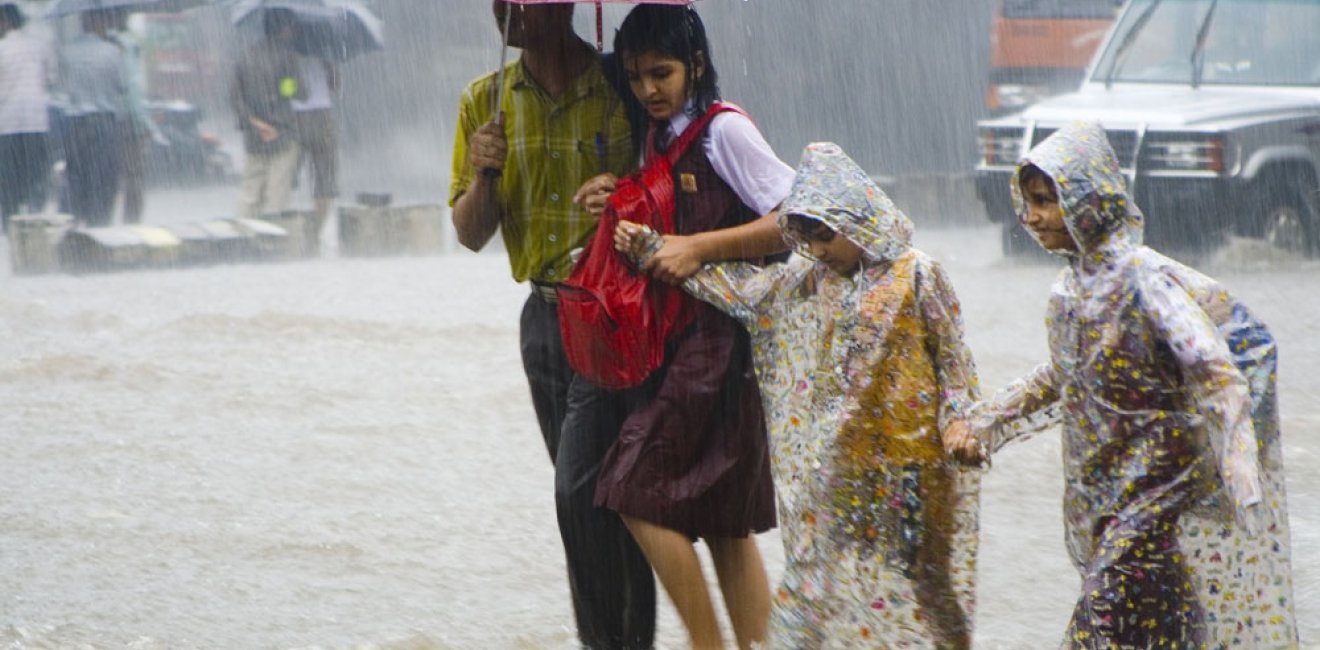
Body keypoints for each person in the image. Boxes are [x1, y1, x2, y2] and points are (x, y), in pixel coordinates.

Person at [617, 141, 984, 648]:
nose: (821, 248)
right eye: (807, 236)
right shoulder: (806, 284)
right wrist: (651, 248)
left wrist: (961, 422)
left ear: (859, 215)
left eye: (827, 233)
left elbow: (955, 365)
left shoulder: (917, 274)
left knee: (933, 591)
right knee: (808, 594)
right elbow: (736, 288)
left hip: (914, 470)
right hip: (839, 472)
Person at [947, 120, 1298, 647]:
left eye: (1048, 200)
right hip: (1105, 487)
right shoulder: (1070, 289)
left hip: (1161, 485)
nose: (1033, 216)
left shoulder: (1144, 279)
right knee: (1165, 622)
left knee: (1100, 622)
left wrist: (1240, 464)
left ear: (1089, 202)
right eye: (1029, 201)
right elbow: (1062, 377)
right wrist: (986, 421)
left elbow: (1215, 371)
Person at [570, 6, 796, 649]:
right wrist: (615, 194)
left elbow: (796, 218)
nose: (649, 90)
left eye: (662, 73)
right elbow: (661, 214)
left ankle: (708, 645)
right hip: (681, 342)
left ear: (696, 65)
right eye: (637, 76)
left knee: (632, 491)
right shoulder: (659, 133)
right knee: (726, 523)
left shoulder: (725, 132)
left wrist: (700, 247)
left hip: (723, 344)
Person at [447, 3, 650, 648]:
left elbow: (666, 190)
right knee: (591, 502)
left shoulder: (623, 86)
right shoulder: (486, 100)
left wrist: (622, 195)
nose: (505, 12)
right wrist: (485, 172)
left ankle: (615, 641)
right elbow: (470, 234)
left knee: (597, 495)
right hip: (545, 319)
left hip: (620, 312)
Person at [231, 8, 304, 222]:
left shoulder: (245, 57)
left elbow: (234, 98)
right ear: (284, 29)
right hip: (282, 133)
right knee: (277, 193)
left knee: (250, 194)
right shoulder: (288, 57)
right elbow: (295, 92)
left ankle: (243, 235)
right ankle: (275, 240)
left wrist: (256, 124)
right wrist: (290, 80)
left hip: (254, 137)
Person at [58, 8, 127, 227]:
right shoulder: (112, 52)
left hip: (74, 124)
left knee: (77, 176)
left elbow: (63, 88)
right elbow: (122, 86)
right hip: (103, 122)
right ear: (98, 22)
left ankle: (75, 224)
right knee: (104, 178)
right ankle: (99, 226)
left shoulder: (67, 52)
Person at [0, 2, 55, 231]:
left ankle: (10, 228)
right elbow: (50, 79)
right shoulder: (39, 46)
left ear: (6, 22)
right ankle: (35, 224)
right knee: (35, 177)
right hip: (36, 121)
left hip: (7, 124)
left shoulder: (1, 48)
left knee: (9, 182)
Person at [109, 7, 162, 225]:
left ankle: (101, 221)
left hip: (106, 118)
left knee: (114, 174)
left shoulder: (106, 42)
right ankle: (131, 221)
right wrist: (145, 123)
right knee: (134, 174)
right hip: (128, 120)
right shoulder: (127, 44)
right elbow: (133, 88)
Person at [291, 54, 338, 252]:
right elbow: (335, 86)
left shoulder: (285, 55)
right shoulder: (326, 53)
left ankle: (290, 231)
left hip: (294, 118)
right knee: (323, 180)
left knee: (284, 176)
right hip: (323, 117)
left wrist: (294, 89)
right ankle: (314, 234)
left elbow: (283, 89)